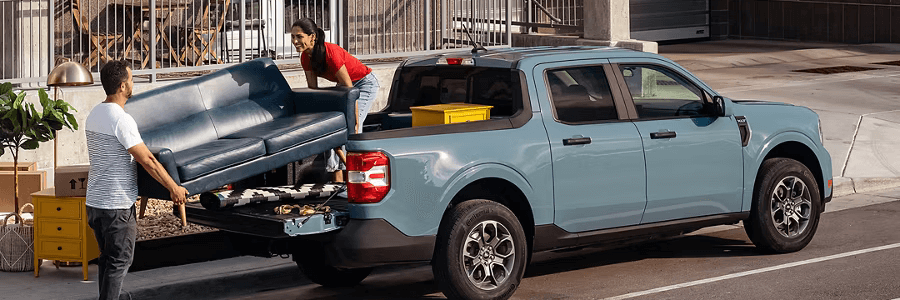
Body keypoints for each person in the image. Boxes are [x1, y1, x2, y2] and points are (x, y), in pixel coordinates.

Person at [85, 60, 189, 300]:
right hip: (116, 204)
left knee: (108, 259)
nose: (133, 84)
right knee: (120, 260)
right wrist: (173, 187)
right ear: (122, 86)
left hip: (95, 203)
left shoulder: (95, 113)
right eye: (131, 80)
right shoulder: (121, 119)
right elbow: (148, 161)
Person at [291, 17, 379, 183]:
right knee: (332, 128)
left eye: (299, 36)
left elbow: (350, 89)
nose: (295, 41)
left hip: (363, 83)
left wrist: (352, 119)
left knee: (350, 129)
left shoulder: (331, 53)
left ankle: (354, 179)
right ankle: (337, 180)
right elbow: (313, 90)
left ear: (312, 36)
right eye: (293, 37)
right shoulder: (305, 58)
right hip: (345, 87)